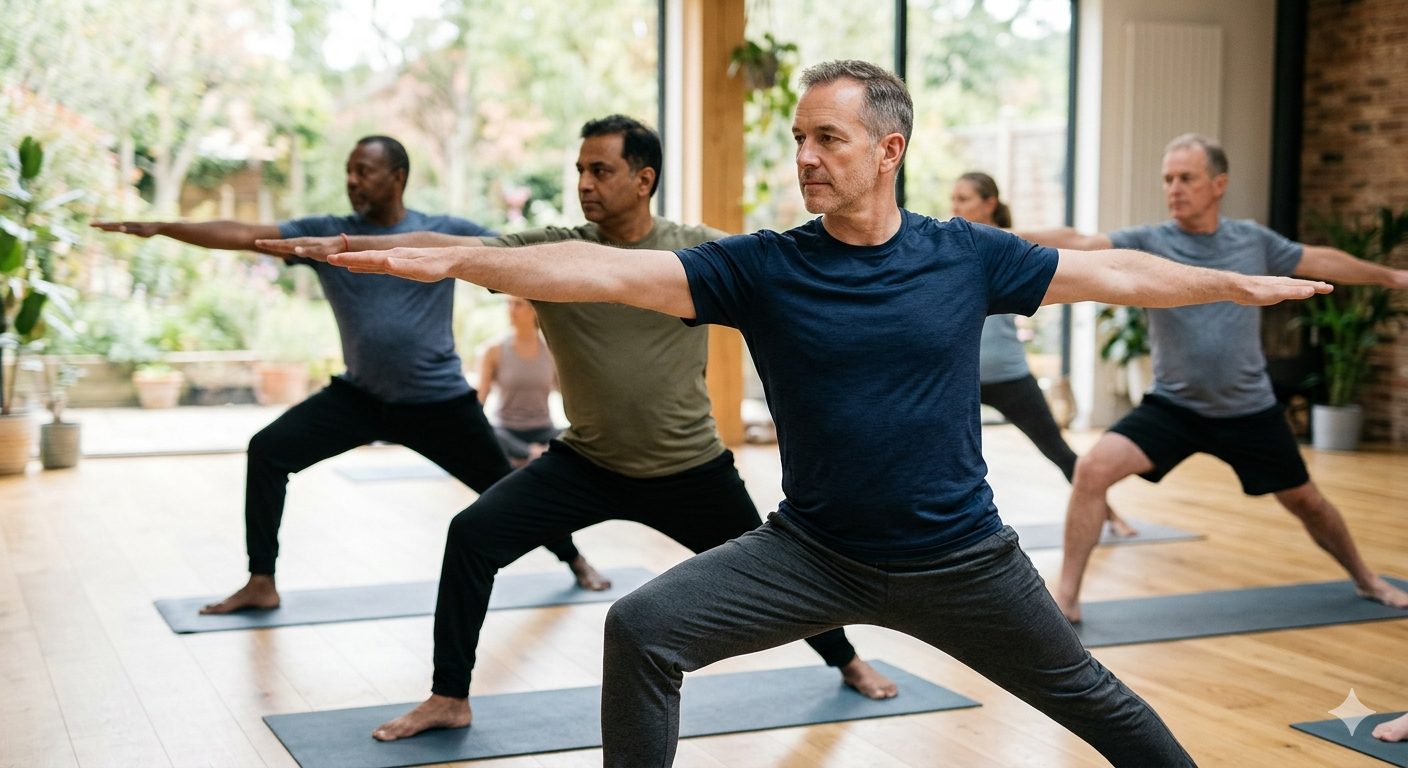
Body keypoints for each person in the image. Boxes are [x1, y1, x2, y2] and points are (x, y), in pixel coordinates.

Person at [325, 61, 1335, 766]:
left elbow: (1111, 273)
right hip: (812, 553)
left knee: (1096, 702)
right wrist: (456, 260)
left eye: (828, 139)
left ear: (888, 149)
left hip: (963, 562)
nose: (806, 157)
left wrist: (1230, 284)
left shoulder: (964, 255)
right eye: (799, 139)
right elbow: (599, 270)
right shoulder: (763, 267)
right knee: (642, 629)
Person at [258, 114, 897, 742]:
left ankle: (846, 660)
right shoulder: (553, 251)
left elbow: (784, 280)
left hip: (689, 470)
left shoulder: (694, 250)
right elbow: (451, 247)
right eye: (580, 170)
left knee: (779, 567)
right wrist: (349, 245)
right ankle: (449, 697)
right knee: (471, 536)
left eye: (601, 170)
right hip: (587, 463)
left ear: (644, 179)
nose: (585, 183)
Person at [90, 136, 610, 612]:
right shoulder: (327, 234)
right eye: (349, 171)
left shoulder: (442, 232)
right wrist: (163, 227)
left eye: (364, 171)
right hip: (360, 397)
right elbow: (246, 234)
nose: (352, 181)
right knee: (268, 451)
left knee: (506, 488)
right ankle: (261, 580)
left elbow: (518, 253)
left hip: (437, 402)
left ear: (397, 178)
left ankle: (574, 559)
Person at [1019, 133, 1408, 623]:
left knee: (1307, 501)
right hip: (1173, 407)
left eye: (1186, 178)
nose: (1174, 189)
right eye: (1168, 179)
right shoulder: (1149, 241)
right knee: (1093, 470)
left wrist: (1391, 277)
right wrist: (992, 235)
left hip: (1248, 410)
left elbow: (1319, 258)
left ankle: (1367, 579)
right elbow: (1078, 242)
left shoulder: (1252, 241)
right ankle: (1067, 598)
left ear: (1218, 184)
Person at [951, 172, 1136, 538]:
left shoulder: (1009, 245)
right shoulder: (951, 246)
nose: (954, 207)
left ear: (989, 204)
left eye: (964, 199)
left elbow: (1065, 240)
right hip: (960, 376)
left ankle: (1110, 514)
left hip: (1009, 374)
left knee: (1056, 448)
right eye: (953, 199)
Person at [478, 297, 560, 467]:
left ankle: (532, 454)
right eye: (508, 303)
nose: (510, 309)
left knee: (575, 434)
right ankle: (535, 453)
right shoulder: (493, 350)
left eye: (518, 304)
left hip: (544, 430)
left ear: (534, 309)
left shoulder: (552, 351)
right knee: (489, 432)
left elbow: (569, 397)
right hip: (507, 432)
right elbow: (480, 401)